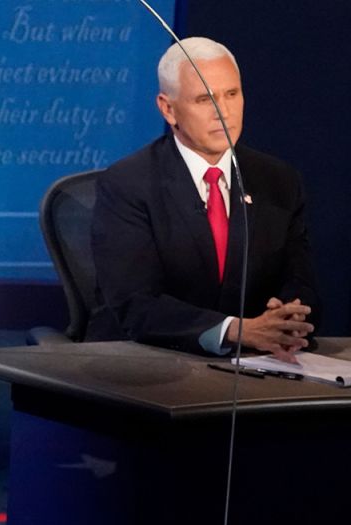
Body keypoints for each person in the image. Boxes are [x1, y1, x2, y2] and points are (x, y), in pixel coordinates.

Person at [88, 37, 319, 359]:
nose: (223, 112)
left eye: (231, 95)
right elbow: (136, 304)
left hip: (255, 363)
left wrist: (290, 318)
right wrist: (236, 330)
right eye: (204, 99)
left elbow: (298, 279)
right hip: (146, 364)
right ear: (168, 109)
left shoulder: (278, 180)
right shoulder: (128, 184)